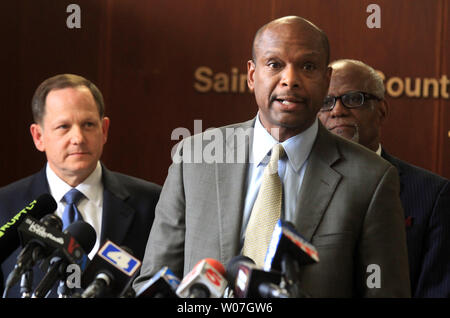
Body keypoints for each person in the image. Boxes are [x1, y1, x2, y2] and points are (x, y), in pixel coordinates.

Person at [133, 16, 411, 297]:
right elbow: (154, 284)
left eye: (308, 66)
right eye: (275, 64)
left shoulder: (370, 178)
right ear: (252, 76)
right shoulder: (194, 159)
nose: (290, 80)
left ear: (326, 80)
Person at [0, 74, 161, 297]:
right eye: (64, 126)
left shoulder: (152, 203)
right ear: (39, 136)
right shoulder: (5, 206)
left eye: (88, 124)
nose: (78, 137)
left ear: (104, 130)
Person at [318, 59, 450, 297]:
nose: (337, 110)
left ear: (381, 110)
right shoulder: (296, 183)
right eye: (326, 102)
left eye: (353, 98)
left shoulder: (432, 194)